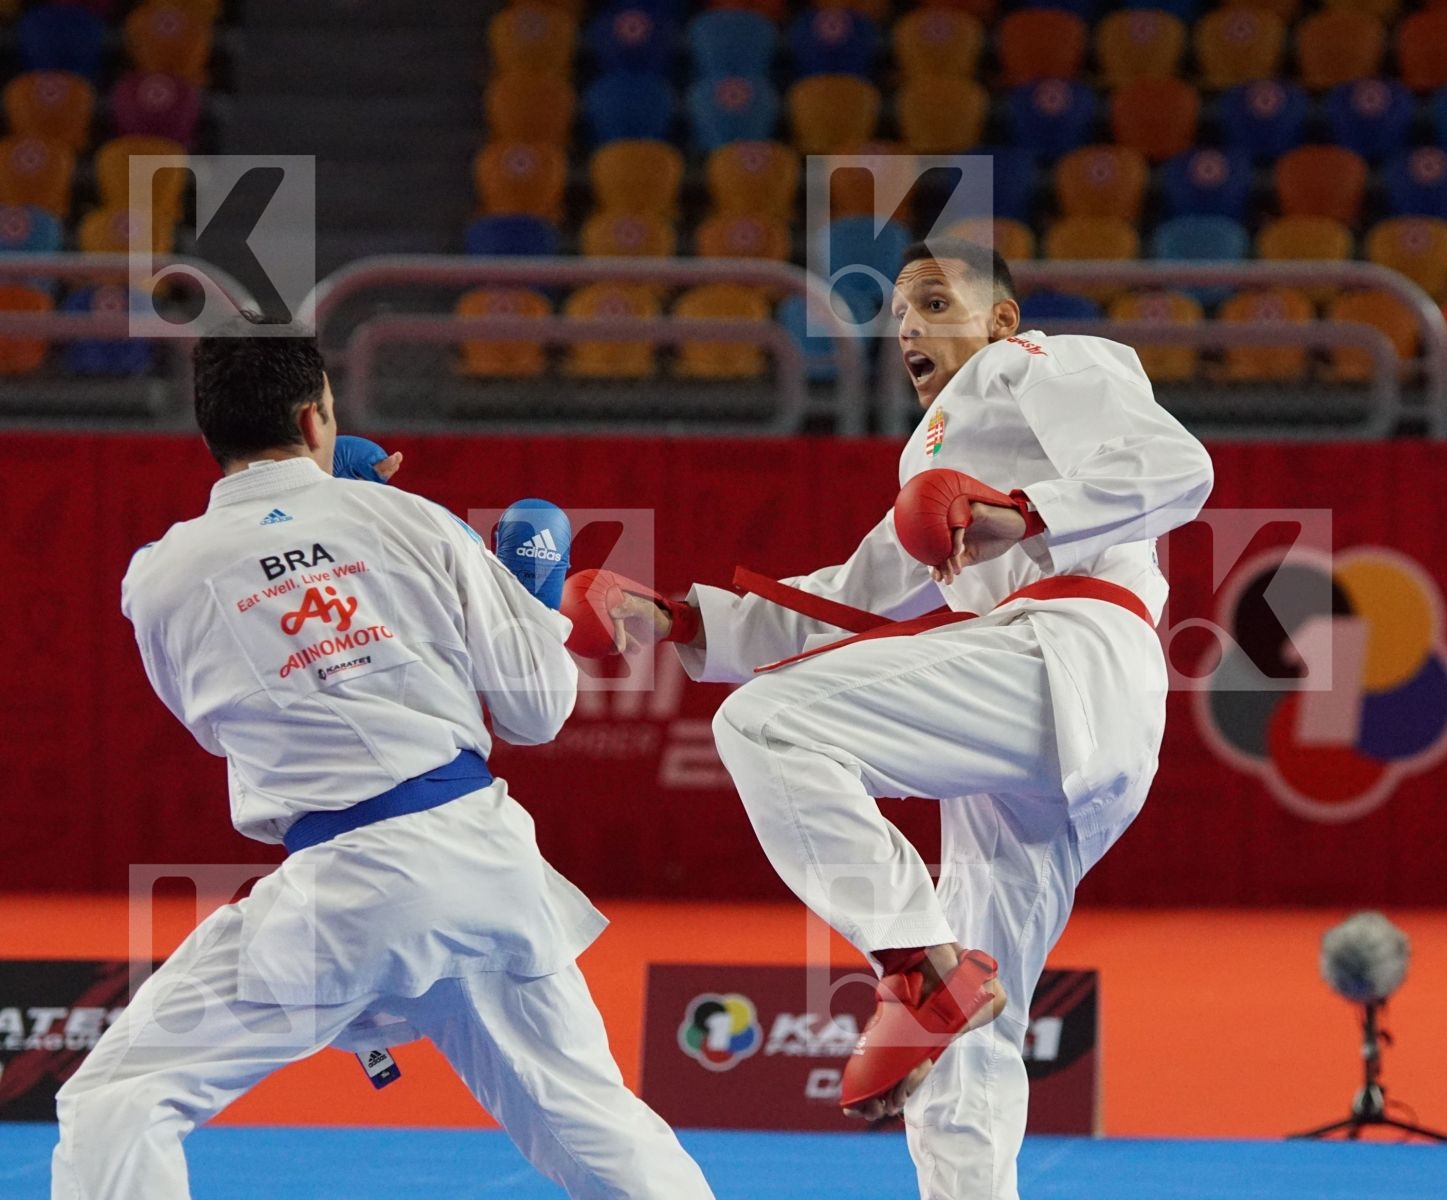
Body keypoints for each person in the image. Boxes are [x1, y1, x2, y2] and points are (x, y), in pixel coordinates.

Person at [592, 240, 1212, 1200]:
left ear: (1001, 320)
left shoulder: (1040, 361)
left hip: (1065, 657)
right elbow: (851, 602)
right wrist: (679, 618)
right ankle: (943, 1015)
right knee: (976, 1040)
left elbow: (1177, 466)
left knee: (771, 725)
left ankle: (919, 967)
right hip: (1054, 727)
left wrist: (1021, 513)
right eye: (897, 314)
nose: (910, 326)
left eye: (932, 301)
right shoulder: (934, 453)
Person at [52, 315, 715, 1200]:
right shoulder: (417, 523)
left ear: (207, 431)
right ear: (316, 415)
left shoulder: (160, 579)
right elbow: (539, 712)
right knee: (592, 1122)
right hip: (483, 868)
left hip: (344, 899)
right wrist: (531, 594)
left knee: (120, 1098)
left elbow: (212, 727)